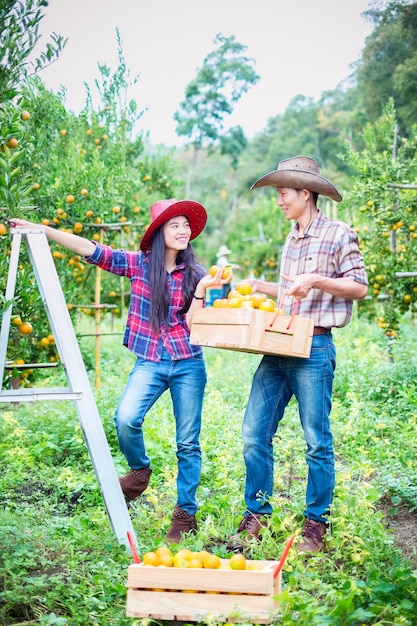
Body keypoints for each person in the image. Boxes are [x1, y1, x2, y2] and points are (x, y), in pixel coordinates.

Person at [11, 198, 232, 543]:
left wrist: (202, 291)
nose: (183, 230)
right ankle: (139, 472)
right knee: (125, 418)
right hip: (151, 360)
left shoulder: (197, 274)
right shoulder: (140, 265)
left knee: (187, 442)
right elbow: (92, 249)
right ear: (159, 232)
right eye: (174, 225)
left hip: (188, 361)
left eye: (186, 225)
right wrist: (43, 230)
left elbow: (195, 324)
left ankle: (185, 514)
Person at [227, 156, 368, 554]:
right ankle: (256, 515)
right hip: (279, 343)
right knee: (254, 433)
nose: (279, 201)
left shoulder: (340, 234)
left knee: (316, 441)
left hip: (314, 347)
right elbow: (294, 292)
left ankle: (315, 525)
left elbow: (360, 287)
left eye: (283, 194)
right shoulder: (291, 238)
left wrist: (317, 280)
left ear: (305, 194)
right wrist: (260, 285)